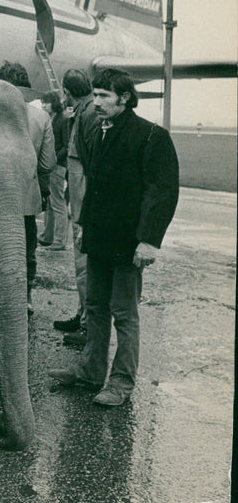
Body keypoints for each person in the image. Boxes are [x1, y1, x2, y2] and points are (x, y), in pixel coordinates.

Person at [48, 68, 179, 406]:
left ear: (125, 98)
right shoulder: (101, 130)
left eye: (104, 96)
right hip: (99, 237)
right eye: (95, 95)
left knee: (124, 312)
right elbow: (94, 186)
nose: (97, 102)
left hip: (128, 242)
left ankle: (121, 383)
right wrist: (82, 225)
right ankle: (91, 373)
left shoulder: (152, 136)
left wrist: (148, 240)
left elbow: (162, 193)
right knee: (94, 306)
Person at [0, 61, 54, 323]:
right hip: (25, 199)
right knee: (25, 252)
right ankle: (22, 303)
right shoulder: (41, 117)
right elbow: (48, 164)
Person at [52, 69, 99, 346]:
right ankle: (82, 315)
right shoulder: (84, 112)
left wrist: (85, 213)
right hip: (80, 203)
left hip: (85, 208)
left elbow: (90, 167)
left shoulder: (88, 114)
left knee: (85, 268)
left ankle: (88, 327)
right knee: (80, 266)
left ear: (66, 92)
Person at [38, 90, 71, 250]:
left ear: (54, 103)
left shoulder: (63, 119)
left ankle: (59, 240)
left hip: (57, 166)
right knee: (51, 202)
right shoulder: (53, 118)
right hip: (51, 165)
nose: (43, 105)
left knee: (57, 203)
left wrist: (54, 158)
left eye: (46, 102)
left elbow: (67, 145)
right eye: (42, 102)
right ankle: (47, 236)